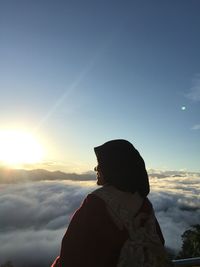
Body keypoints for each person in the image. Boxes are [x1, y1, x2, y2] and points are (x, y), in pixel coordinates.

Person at [51, 139, 172, 267]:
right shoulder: (144, 203)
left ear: (112, 167)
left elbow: (71, 254)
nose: (95, 169)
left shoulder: (96, 203)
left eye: (99, 164)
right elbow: (158, 241)